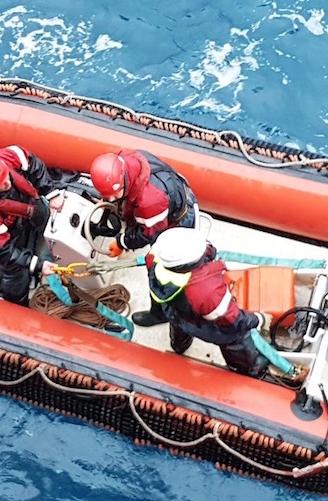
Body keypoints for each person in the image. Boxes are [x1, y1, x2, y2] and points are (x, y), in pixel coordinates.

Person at [141, 227, 306, 385]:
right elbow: (233, 321)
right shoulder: (207, 293)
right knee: (235, 341)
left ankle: (179, 346)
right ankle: (248, 367)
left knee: (179, 329)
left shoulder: (155, 259)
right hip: (208, 326)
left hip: (176, 313)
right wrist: (259, 319)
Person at [0, 145, 62, 306]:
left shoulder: (8, 156)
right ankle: (18, 306)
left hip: (32, 208)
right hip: (11, 231)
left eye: (7, 177)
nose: (8, 182)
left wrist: (51, 193)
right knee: (14, 273)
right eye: (2, 183)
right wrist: (37, 265)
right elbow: (5, 251)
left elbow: (34, 164)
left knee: (43, 218)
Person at [89, 149, 198, 259]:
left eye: (114, 194)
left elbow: (147, 234)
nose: (111, 199)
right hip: (167, 196)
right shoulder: (126, 162)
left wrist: (121, 243)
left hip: (178, 220)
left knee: (161, 262)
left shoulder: (151, 202)